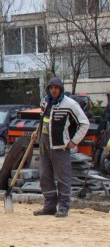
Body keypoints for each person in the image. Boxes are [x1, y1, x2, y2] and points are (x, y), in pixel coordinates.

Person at [33, 76, 89, 218]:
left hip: (61, 146)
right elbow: (43, 119)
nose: (53, 91)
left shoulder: (70, 104)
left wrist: (74, 141)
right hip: (44, 145)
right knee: (45, 176)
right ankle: (49, 206)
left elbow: (84, 124)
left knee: (63, 177)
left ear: (61, 89)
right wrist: (37, 131)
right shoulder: (45, 101)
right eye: (51, 88)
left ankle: (63, 207)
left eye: (56, 88)